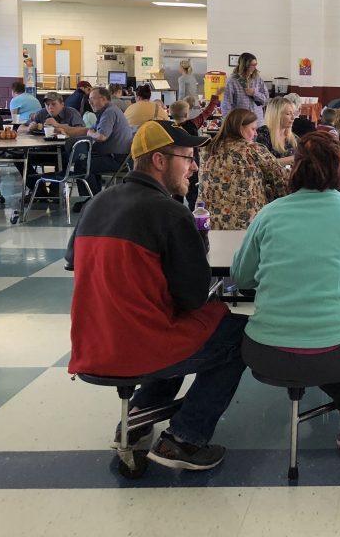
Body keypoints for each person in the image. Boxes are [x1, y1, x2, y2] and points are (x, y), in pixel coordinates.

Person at [66, 120, 246, 471]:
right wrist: (196, 247)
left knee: (177, 323)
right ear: (160, 161)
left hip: (92, 344)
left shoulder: (96, 203)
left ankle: (138, 417)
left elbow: (73, 260)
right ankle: (186, 438)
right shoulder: (172, 213)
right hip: (141, 347)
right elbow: (193, 298)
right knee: (237, 329)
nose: (194, 168)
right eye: (188, 158)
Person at [232, 131, 340, 450]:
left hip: (266, 353)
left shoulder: (269, 214)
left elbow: (241, 278)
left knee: (337, 329)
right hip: (335, 356)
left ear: (295, 169)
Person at [198, 108, 289, 229]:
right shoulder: (252, 150)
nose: (256, 134)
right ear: (240, 128)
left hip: (209, 222)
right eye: (253, 129)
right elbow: (281, 180)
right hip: (246, 223)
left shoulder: (208, 150)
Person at [221, 52, 268, 124]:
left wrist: (254, 93)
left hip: (257, 123)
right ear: (245, 66)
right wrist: (229, 122)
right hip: (240, 122)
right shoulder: (231, 81)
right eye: (252, 65)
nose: (255, 67)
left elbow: (266, 99)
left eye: (256, 64)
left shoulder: (258, 79)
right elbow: (226, 105)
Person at [254, 96, 297, 166]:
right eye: (288, 114)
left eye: (293, 114)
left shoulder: (293, 138)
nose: (293, 118)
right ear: (277, 115)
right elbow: (263, 163)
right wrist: (293, 158)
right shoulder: (262, 134)